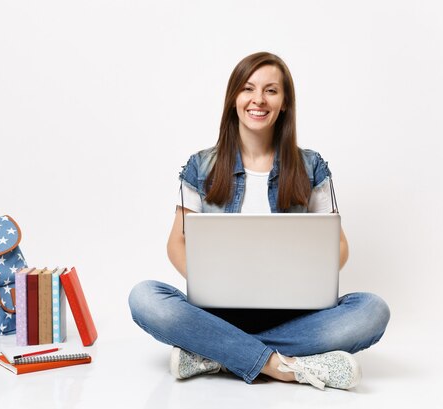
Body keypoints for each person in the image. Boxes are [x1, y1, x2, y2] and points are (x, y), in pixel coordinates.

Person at [127, 52, 390, 390]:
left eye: (271, 91)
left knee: (372, 310)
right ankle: (282, 365)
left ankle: (214, 353)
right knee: (145, 297)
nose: (258, 100)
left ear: (284, 103)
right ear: (233, 99)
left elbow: (338, 243)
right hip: (218, 312)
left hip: (296, 314)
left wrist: (307, 276)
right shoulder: (200, 166)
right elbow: (177, 241)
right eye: (248, 89)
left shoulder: (311, 166)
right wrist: (213, 281)